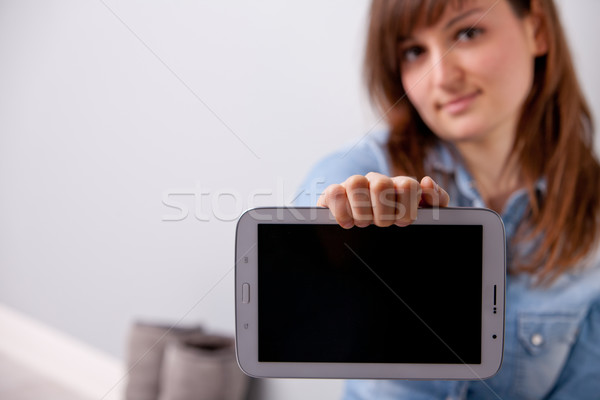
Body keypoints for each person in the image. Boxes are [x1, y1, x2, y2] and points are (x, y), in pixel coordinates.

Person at [294, 0, 600, 398]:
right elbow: (320, 204)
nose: (442, 77)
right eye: (413, 52)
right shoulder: (370, 165)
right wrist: (339, 224)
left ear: (537, 30)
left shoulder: (591, 214)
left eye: (468, 33)